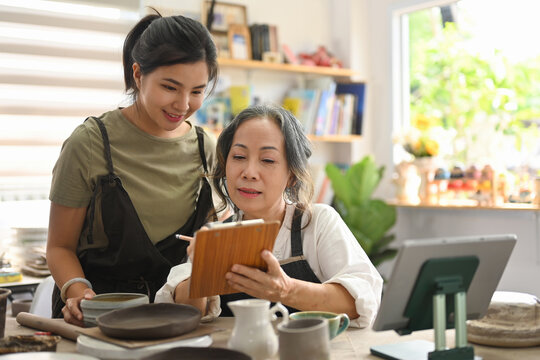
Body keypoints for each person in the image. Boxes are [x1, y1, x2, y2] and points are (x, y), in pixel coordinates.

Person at [46, 11, 219, 326]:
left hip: (174, 314)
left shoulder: (204, 148)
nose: (183, 105)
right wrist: (77, 290)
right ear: (138, 74)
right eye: (170, 87)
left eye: (196, 91)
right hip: (98, 311)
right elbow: (59, 247)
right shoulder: (89, 143)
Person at [156, 104, 383, 328]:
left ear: (292, 175)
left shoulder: (317, 222)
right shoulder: (216, 234)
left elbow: (359, 303)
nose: (249, 173)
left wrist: (285, 289)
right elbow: (185, 313)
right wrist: (202, 271)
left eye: (267, 160)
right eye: (238, 156)